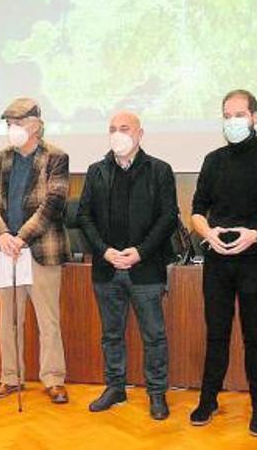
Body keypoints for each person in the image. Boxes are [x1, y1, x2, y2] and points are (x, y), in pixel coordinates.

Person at [190, 90, 257, 435]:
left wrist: (256, 234)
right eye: (227, 116)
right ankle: (208, 400)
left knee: (256, 335)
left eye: (239, 115)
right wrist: (208, 234)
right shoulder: (213, 160)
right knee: (216, 334)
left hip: (256, 260)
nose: (232, 122)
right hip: (218, 261)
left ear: (254, 117)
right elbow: (196, 210)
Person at [77, 111, 178, 420]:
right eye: (112, 129)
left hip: (145, 269)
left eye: (124, 128)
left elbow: (168, 217)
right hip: (106, 269)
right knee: (111, 334)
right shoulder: (96, 171)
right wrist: (104, 250)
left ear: (139, 134)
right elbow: (83, 216)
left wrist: (141, 251)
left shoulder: (159, 170)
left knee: (154, 336)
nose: (117, 134)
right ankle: (115, 387)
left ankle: (157, 393)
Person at [0, 97, 70, 404]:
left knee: (48, 319)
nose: (12, 129)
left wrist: (22, 237)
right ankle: (10, 377)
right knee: (9, 319)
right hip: (5, 251)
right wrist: (4, 235)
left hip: (41, 249)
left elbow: (53, 204)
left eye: (17, 123)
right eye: (9, 124)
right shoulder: (0, 158)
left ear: (35, 125)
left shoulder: (56, 157)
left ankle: (54, 379)